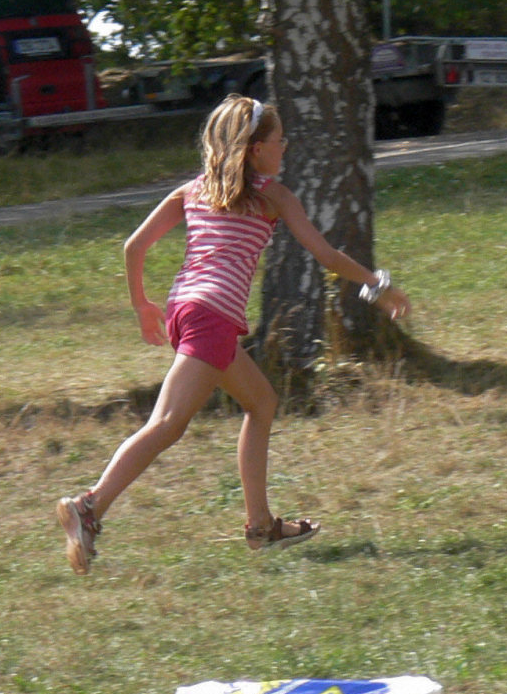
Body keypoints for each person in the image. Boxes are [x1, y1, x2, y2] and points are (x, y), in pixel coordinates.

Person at [56, 96, 408, 573]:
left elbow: (134, 245)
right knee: (168, 423)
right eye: (279, 140)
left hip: (185, 310)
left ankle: (261, 525)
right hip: (213, 316)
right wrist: (378, 286)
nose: (284, 147)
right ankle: (89, 506)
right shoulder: (274, 196)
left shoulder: (193, 190)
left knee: (261, 403)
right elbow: (326, 256)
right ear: (256, 149)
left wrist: (143, 306)